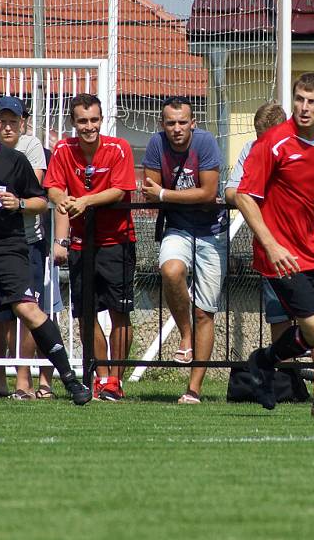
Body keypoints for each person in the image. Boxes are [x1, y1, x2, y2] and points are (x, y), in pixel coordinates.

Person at [0, 97, 91, 405]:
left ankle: (70, 380)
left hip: (8, 250)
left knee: (28, 310)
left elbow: (41, 201)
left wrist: (21, 204)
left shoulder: (14, 161)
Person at [236, 72, 314, 417]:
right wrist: (272, 246)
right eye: (299, 99)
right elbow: (245, 197)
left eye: (313, 101)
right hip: (280, 252)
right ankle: (265, 360)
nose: (304, 108)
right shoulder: (273, 143)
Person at [44, 93, 137, 402]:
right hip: (82, 245)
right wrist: (63, 199)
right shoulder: (62, 148)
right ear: (73, 122)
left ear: (102, 120)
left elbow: (121, 191)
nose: (89, 126)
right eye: (82, 121)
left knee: (119, 312)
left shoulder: (119, 147)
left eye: (94, 120)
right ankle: (101, 378)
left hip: (116, 241)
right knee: (85, 315)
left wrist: (85, 200)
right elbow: (54, 187)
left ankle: (116, 381)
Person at [141, 96, 228, 404]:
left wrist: (166, 193)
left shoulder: (206, 143)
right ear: (161, 125)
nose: (176, 129)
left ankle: (194, 389)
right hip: (177, 227)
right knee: (171, 269)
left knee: (205, 311)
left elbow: (208, 192)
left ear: (193, 123)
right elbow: (148, 192)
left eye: (182, 122)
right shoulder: (155, 144)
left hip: (211, 231)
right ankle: (185, 334)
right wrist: (166, 195)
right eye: (170, 123)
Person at [0, 96, 59, 400]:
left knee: (29, 312)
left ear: (23, 122)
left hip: (28, 243)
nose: (6, 126)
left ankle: (23, 380)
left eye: (12, 120)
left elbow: (33, 187)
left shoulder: (31, 146)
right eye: (1, 121)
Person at [225, 102, 290, 343]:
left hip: (306, 245)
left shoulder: (302, 149)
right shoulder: (252, 149)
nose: (264, 145)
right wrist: (250, 193)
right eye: (259, 138)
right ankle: (285, 379)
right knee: (278, 316)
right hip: (269, 244)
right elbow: (230, 192)